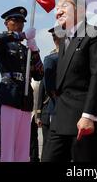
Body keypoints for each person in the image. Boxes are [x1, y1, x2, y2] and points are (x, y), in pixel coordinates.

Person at [41, 0, 97, 162]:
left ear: (80, 10)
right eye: (57, 8)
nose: (58, 11)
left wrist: (89, 116)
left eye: (64, 6)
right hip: (60, 118)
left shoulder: (94, 34)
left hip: (82, 118)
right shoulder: (65, 40)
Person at [0, 6, 44, 162]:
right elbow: (0, 39)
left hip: (25, 99)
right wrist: (21, 35)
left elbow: (39, 74)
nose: (19, 23)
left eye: (22, 21)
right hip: (9, 95)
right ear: (6, 23)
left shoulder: (26, 49)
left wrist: (35, 51)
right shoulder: (3, 44)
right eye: (15, 20)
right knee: (6, 148)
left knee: (23, 149)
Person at [36, 27, 60, 160]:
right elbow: (44, 87)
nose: (55, 39)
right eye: (54, 37)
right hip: (51, 106)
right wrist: (39, 113)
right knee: (49, 144)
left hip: (60, 106)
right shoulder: (51, 58)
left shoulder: (69, 55)